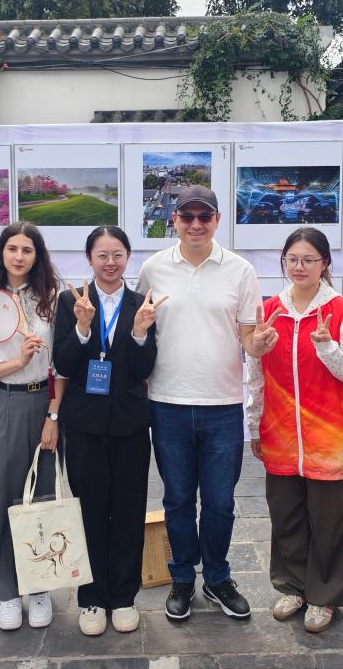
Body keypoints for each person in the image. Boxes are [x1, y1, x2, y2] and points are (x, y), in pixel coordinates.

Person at [136, 185, 274, 623]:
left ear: (217, 220)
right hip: (168, 403)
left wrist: (259, 344)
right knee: (177, 499)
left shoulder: (240, 270)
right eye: (187, 216)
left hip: (222, 404)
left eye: (204, 216)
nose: (195, 224)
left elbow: (248, 336)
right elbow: (141, 328)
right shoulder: (153, 268)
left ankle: (217, 577)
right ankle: (182, 578)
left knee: (219, 502)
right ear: (174, 220)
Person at [246, 228, 343, 634]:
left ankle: (324, 595)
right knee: (286, 514)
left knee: (328, 520)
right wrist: (254, 423)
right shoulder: (270, 310)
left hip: (333, 437)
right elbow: (255, 374)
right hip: (281, 433)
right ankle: (292, 586)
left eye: (309, 259)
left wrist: (326, 346)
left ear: (325, 263)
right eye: (292, 259)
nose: (300, 267)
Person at [53, 225, 162, 636]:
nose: (110, 262)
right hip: (84, 423)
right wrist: (82, 329)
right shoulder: (71, 301)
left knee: (129, 509)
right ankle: (92, 598)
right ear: (89, 259)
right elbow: (64, 364)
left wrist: (139, 333)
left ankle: (123, 596)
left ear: (128, 257)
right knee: (90, 510)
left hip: (130, 423)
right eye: (102, 255)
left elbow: (144, 368)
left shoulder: (141, 302)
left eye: (117, 254)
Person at [0, 221, 65, 631]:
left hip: (44, 404)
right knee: (2, 499)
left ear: (37, 255)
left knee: (41, 498)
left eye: (27, 249)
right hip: (4, 404)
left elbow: (61, 365)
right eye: (13, 249)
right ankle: (7, 591)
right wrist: (17, 362)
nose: (19, 256)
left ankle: (39, 587)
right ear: (2, 253)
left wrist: (53, 416)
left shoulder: (52, 298)